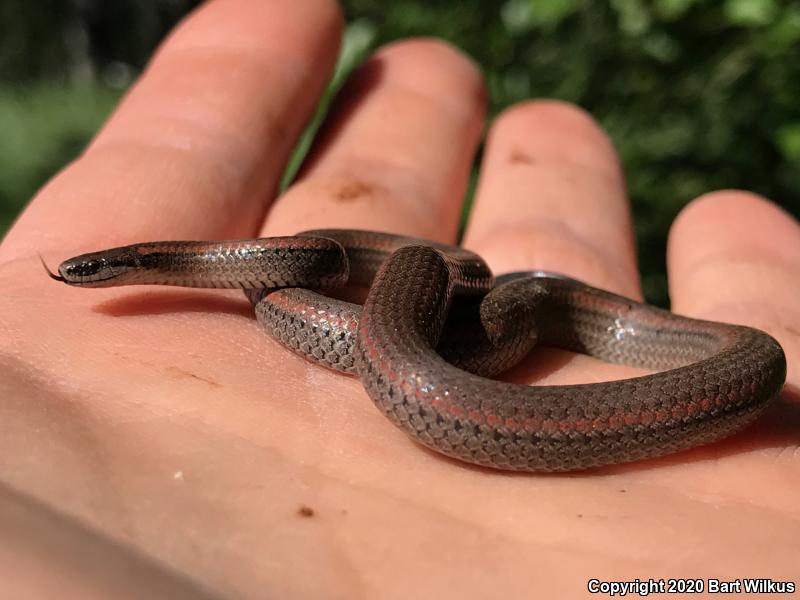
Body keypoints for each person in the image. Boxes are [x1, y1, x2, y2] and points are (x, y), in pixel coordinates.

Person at [1, 0, 797, 597]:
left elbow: (399, 275)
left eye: (96, 269)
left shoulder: (382, 280)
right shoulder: (283, 280)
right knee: (420, 287)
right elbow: (320, 266)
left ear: (139, 263)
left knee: (451, 275)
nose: (88, 276)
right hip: (407, 315)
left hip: (450, 309)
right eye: (94, 270)